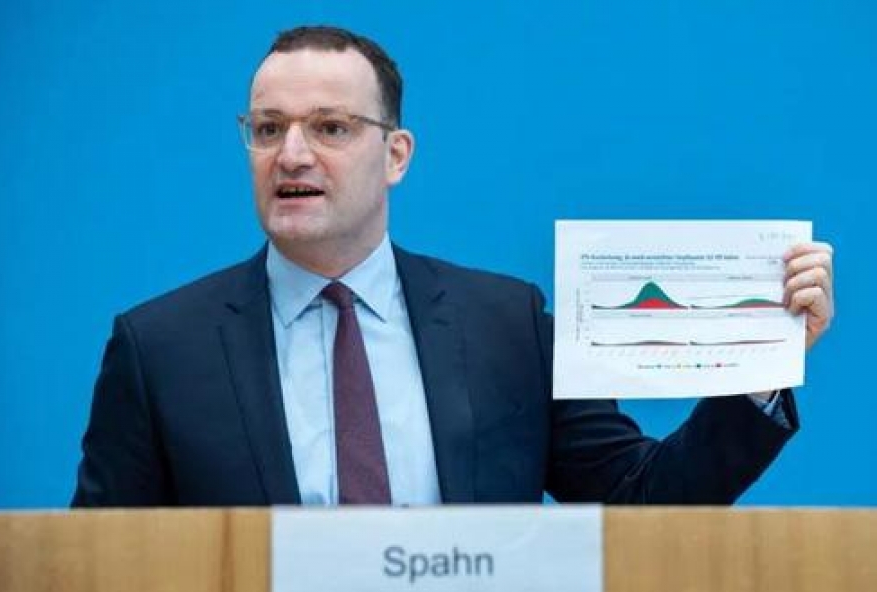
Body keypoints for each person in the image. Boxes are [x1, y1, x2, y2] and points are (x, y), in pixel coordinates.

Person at [72, 26, 834, 507]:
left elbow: (640, 500)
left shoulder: (507, 327)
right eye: (268, 129)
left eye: (330, 127)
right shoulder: (160, 349)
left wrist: (762, 368)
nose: (292, 154)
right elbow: (97, 562)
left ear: (395, 155)